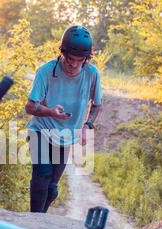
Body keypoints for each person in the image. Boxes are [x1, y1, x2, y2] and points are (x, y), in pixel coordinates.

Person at [25, 25, 103, 213]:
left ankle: (40, 218)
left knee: (52, 189)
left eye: (80, 60)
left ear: (87, 58)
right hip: (41, 130)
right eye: (70, 59)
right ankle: (33, 222)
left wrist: (87, 125)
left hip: (66, 136)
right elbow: (30, 106)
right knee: (42, 174)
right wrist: (50, 111)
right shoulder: (46, 71)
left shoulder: (92, 74)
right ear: (62, 52)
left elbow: (97, 105)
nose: (74, 65)